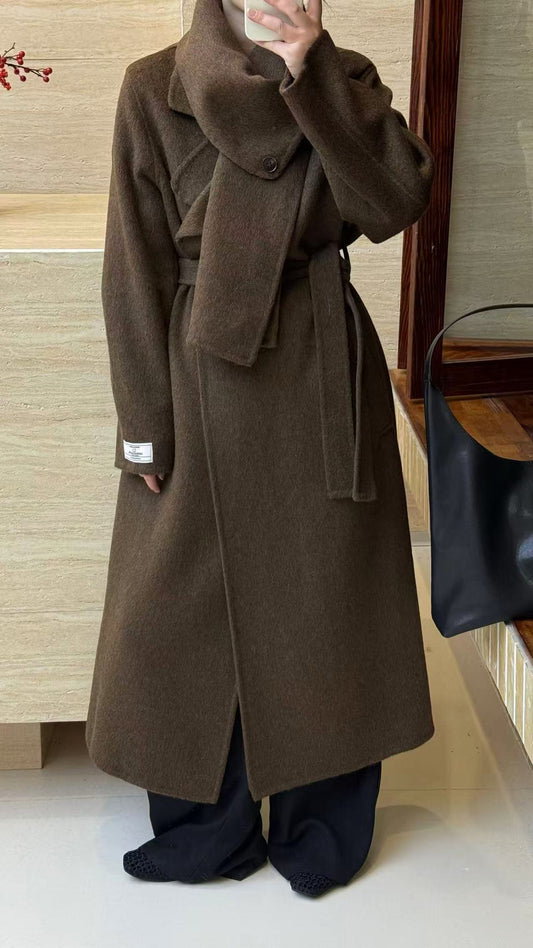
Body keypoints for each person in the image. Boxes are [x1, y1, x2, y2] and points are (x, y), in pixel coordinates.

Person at [85, 0, 436, 899]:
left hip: (320, 367)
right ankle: (206, 828)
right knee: (183, 605)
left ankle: (323, 823)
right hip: (194, 369)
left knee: (326, 600)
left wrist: (313, 74)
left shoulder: (345, 78)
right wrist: (142, 427)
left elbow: (394, 202)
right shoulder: (153, 87)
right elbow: (133, 263)